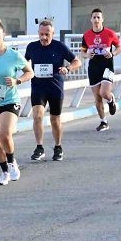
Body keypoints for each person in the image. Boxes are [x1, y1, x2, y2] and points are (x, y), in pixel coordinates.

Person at [0, 18, 32, 184]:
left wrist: (17, 81)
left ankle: (12, 162)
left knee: (3, 134)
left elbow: (29, 72)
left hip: (9, 100)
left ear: (4, 35)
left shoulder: (13, 55)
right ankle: (4, 172)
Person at [26, 20, 80, 162]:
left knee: (55, 120)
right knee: (37, 116)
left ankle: (58, 146)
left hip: (55, 87)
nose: (44, 38)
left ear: (53, 33)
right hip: (38, 87)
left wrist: (67, 68)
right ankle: (39, 147)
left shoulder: (60, 47)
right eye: (41, 34)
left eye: (47, 34)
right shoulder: (32, 47)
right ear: (38, 33)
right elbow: (23, 63)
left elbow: (77, 61)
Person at [81, 8, 121, 131]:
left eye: (99, 17)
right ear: (91, 20)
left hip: (107, 66)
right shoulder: (86, 35)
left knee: (104, 93)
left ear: (102, 19)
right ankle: (103, 121)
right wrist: (87, 55)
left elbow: (120, 47)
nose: (96, 19)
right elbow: (82, 52)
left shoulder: (110, 33)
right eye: (94, 17)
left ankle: (110, 99)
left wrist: (113, 53)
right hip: (93, 68)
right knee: (97, 98)